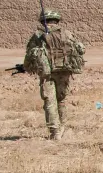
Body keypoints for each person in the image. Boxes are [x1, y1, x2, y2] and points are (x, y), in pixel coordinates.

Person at [22, 9, 85, 140]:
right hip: (64, 71)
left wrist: (26, 67)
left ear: (43, 21)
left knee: (50, 101)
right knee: (61, 100)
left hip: (48, 73)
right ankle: (62, 126)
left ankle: (55, 131)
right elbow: (80, 48)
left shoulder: (39, 35)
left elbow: (29, 53)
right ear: (57, 20)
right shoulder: (67, 33)